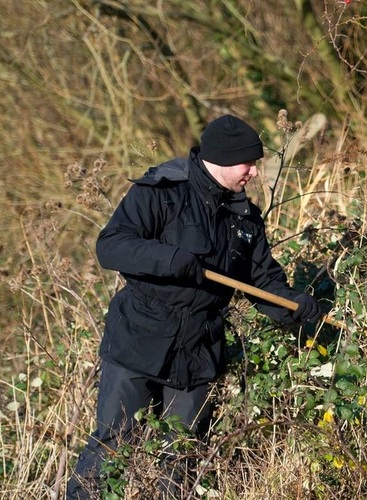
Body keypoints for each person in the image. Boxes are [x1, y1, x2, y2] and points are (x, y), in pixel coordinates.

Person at [66, 114, 322, 499]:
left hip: (198, 351)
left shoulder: (245, 219)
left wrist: (295, 307)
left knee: (182, 459)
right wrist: (168, 259)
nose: (253, 172)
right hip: (139, 338)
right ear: (221, 159)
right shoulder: (161, 191)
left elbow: (262, 282)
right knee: (112, 449)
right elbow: (111, 246)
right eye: (246, 163)